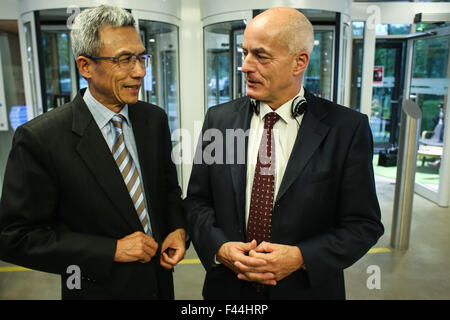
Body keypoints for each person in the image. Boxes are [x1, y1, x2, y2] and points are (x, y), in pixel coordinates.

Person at [184, 7, 384, 300]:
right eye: (244, 53)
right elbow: (197, 202)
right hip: (228, 290)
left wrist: (302, 256)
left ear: (299, 61)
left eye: (261, 56)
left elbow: (363, 225)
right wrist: (220, 248)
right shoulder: (220, 120)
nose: (246, 66)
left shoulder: (346, 128)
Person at [0, 5, 186, 300]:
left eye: (141, 58)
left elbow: (168, 190)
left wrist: (177, 228)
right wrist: (110, 250)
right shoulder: (40, 138)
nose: (139, 72)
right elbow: (16, 237)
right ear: (85, 66)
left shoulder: (154, 120)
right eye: (124, 60)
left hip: (159, 286)